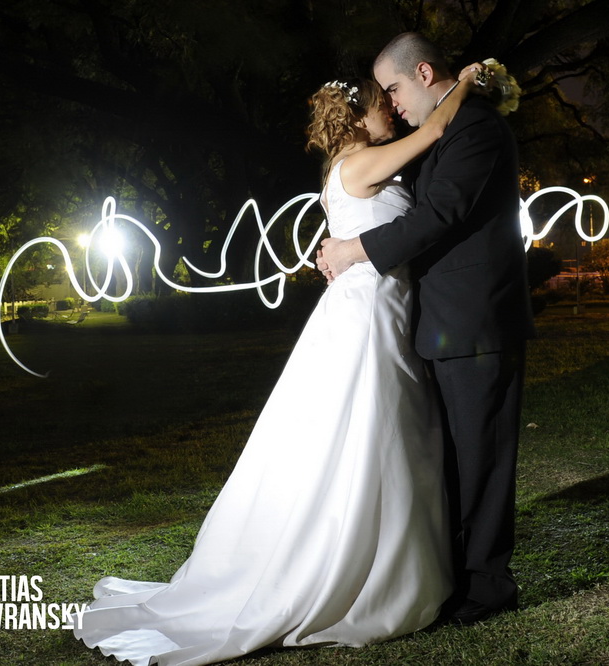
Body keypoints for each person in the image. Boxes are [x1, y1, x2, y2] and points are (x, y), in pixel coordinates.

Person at [73, 65, 485, 666]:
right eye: (382, 105)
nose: (392, 112)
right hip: (369, 311)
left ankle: (383, 554)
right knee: (370, 427)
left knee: (371, 430)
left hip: (372, 304)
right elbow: (435, 129)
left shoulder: (344, 170)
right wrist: (468, 81)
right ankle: (365, 570)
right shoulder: (361, 163)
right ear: (357, 114)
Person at [319, 32, 536, 624]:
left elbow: (442, 215)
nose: (391, 104)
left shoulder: (477, 130)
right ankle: (450, 576)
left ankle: (488, 588)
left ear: (421, 71)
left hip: (477, 322)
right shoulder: (440, 130)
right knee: (450, 462)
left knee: (483, 461)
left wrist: (355, 248)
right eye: (381, 96)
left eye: (393, 89)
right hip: (436, 324)